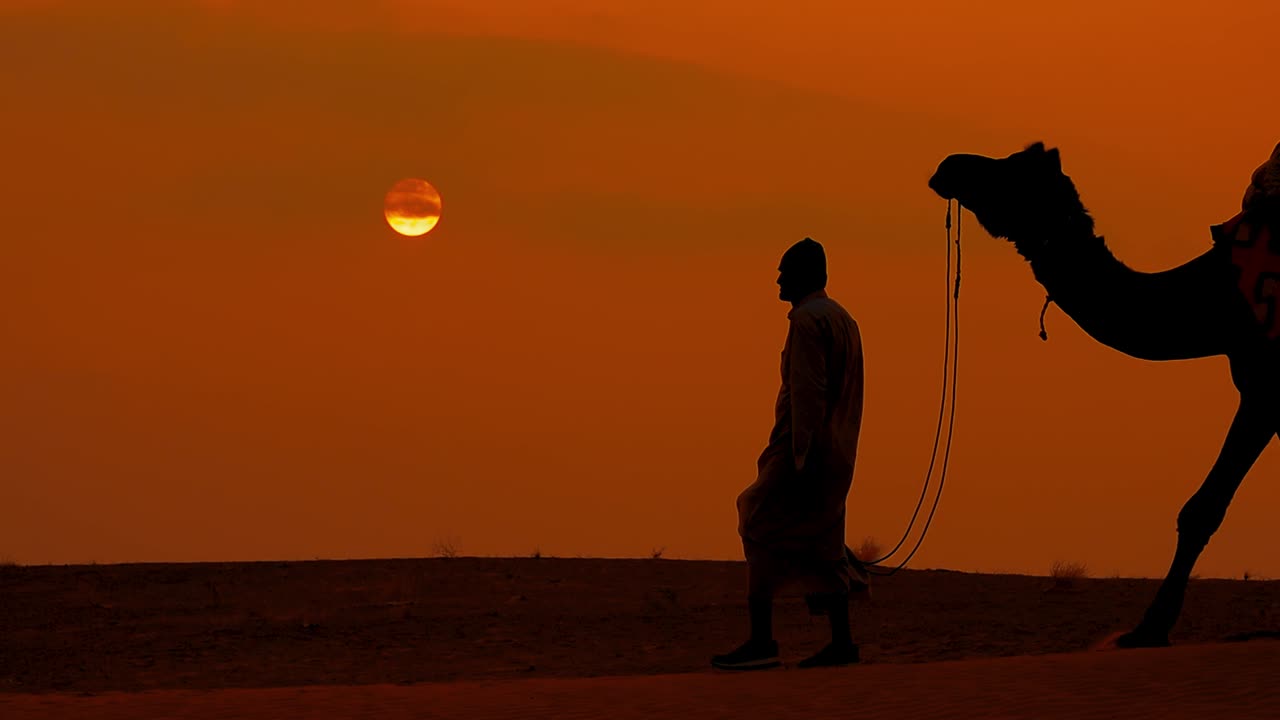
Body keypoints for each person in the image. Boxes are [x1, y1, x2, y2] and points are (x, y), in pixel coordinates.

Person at [712, 237, 869, 671]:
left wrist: (800, 458)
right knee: (825, 540)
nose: (778, 278)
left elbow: (808, 392)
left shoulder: (806, 321)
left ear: (804, 274)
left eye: (785, 270)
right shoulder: (844, 319)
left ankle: (761, 640)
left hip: (805, 449)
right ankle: (842, 642)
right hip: (838, 450)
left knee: (756, 517)